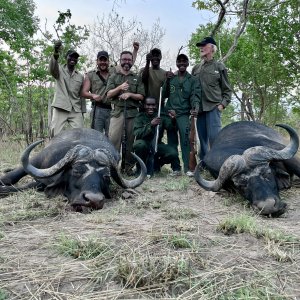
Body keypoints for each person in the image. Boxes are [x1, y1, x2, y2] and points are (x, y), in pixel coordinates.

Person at [139, 48, 181, 175]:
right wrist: (147, 63)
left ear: (161, 57)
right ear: (150, 58)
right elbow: (144, 78)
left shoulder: (164, 73)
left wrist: (168, 80)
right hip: (146, 108)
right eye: (153, 56)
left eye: (158, 55)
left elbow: (167, 93)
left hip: (160, 108)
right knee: (145, 136)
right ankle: (141, 166)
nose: (155, 58)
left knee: (165, 131)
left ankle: (174, 166)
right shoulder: (144, 70)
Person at [192, 36, 232, 162]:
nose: (201, 48)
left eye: (204, 45)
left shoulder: (219, 66)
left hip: (213, 108)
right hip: (200, 110)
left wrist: (222, 105)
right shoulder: (196, 68)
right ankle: (205, 164)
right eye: (200, 46)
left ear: (212, 48)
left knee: (214, 138)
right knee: (202, 140)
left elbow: (227, 89)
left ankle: (218, 163)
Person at [106, 50, 145, 175]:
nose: (127, 62)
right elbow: (108, 94)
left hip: (132, 114)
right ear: (120, 60)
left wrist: (130, 94)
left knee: (130, 142)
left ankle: (127, 168)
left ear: (132, 61)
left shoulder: (136, 78)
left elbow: (141, 96)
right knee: (113, 141)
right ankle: (113, 168)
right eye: (124, 60)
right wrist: (120, 88)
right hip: (117, 113)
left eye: (129, 60)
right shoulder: (113, 76)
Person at [163, 53, 201, 176]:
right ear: (176, 64)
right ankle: (176, 169)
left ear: (188, 63)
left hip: (184, 114)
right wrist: (167, 80)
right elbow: (164, 94)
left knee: (186, 141)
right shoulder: (171, 78)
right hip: (170, 114)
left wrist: (195, 107)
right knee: (172, 141)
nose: (182, 63)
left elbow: (195, 96)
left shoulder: (193, 80)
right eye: (179, 61)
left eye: (184, 61)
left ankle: (188, 168)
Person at [133, 97, 179, 177]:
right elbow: (137, 133)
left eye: (153, 105)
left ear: (156, 106)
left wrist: (174, 119)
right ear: (144, 106)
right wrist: (150, 125)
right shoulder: (139, 117)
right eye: (148, 105)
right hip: (144, 143)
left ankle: (157, 164)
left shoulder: (160, 116)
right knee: (139, 145)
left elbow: (170, 127)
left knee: (173, 153)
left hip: (157, 144)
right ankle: (140, 169)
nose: (151, 107)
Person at [48, 41, 86, 137]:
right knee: (54, 134)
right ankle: (52, 151)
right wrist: (56, 52)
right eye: (71, 56)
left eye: (75, 57)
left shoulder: (80, 76)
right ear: (66, 58)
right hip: (61, 107)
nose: (73, 59)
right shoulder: (59, 70)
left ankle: (76, 152)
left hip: (75, 109)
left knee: (80, 135)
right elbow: (52, 68)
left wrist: (83, 111)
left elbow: (81, 95)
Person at [81, 51, 111, 136]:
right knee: (96, 135)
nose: (103, 62)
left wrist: (135, 50)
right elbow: (83, 92)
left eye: (105, 60)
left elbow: (127, 63)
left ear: (108, 61)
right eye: (100, 60)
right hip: (97, 109)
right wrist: (93, 95)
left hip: (112, 110)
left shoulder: (113, 73)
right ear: (97, 61)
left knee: (111, 136)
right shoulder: (90, 75)